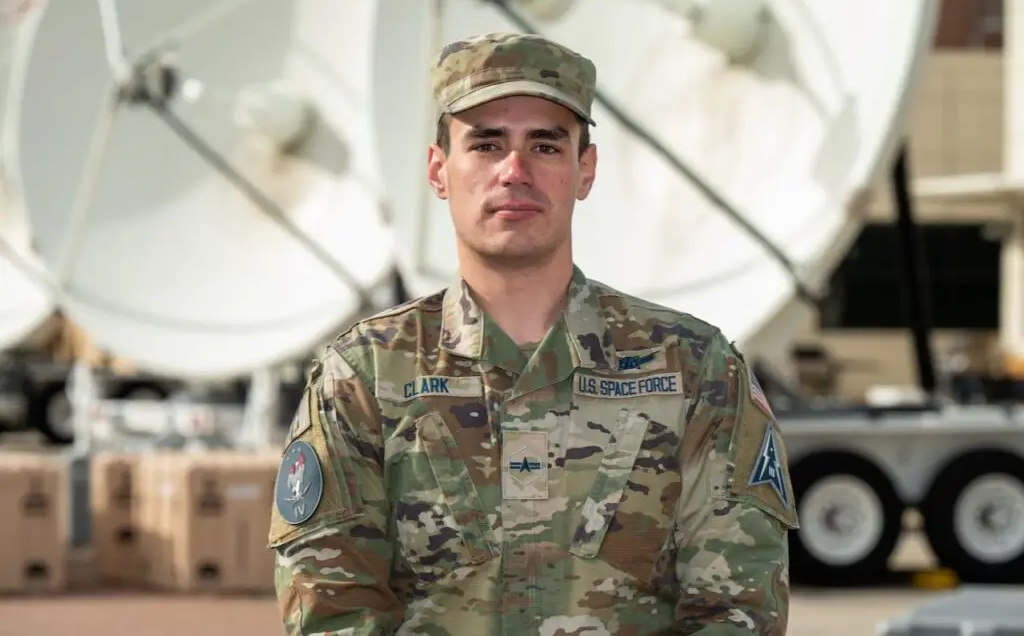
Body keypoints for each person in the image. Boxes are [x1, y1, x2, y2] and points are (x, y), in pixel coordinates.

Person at [268, 31, 799, 635]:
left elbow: (737, 608)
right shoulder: (364, 375)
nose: (514, 171)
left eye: (545, 146)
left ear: (585, 170)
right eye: (486, 144)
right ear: (439, 170)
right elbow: (334, 611)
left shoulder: (695, 370)